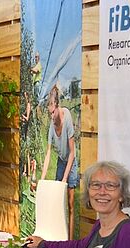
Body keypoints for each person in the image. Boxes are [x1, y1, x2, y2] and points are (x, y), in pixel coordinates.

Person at [28, 161, 130, 248]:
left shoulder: (129, 233)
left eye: (110, 186)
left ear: (122, 195)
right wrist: (43, 243)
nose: (102, 192)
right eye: (96, 185)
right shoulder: (99, 226)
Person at [40, 84, 78, 239]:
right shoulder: (51, 124)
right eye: (49, 113)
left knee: (70, 203)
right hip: (61, 161)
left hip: (71, 161)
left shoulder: (67, 117)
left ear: (57, 107)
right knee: (58, 200)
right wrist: (42, 178)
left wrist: (64, 179)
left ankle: (70, 241)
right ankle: (59, 238)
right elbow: (48, 153)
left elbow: (73, 153)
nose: (51, 116)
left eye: (52, 112)